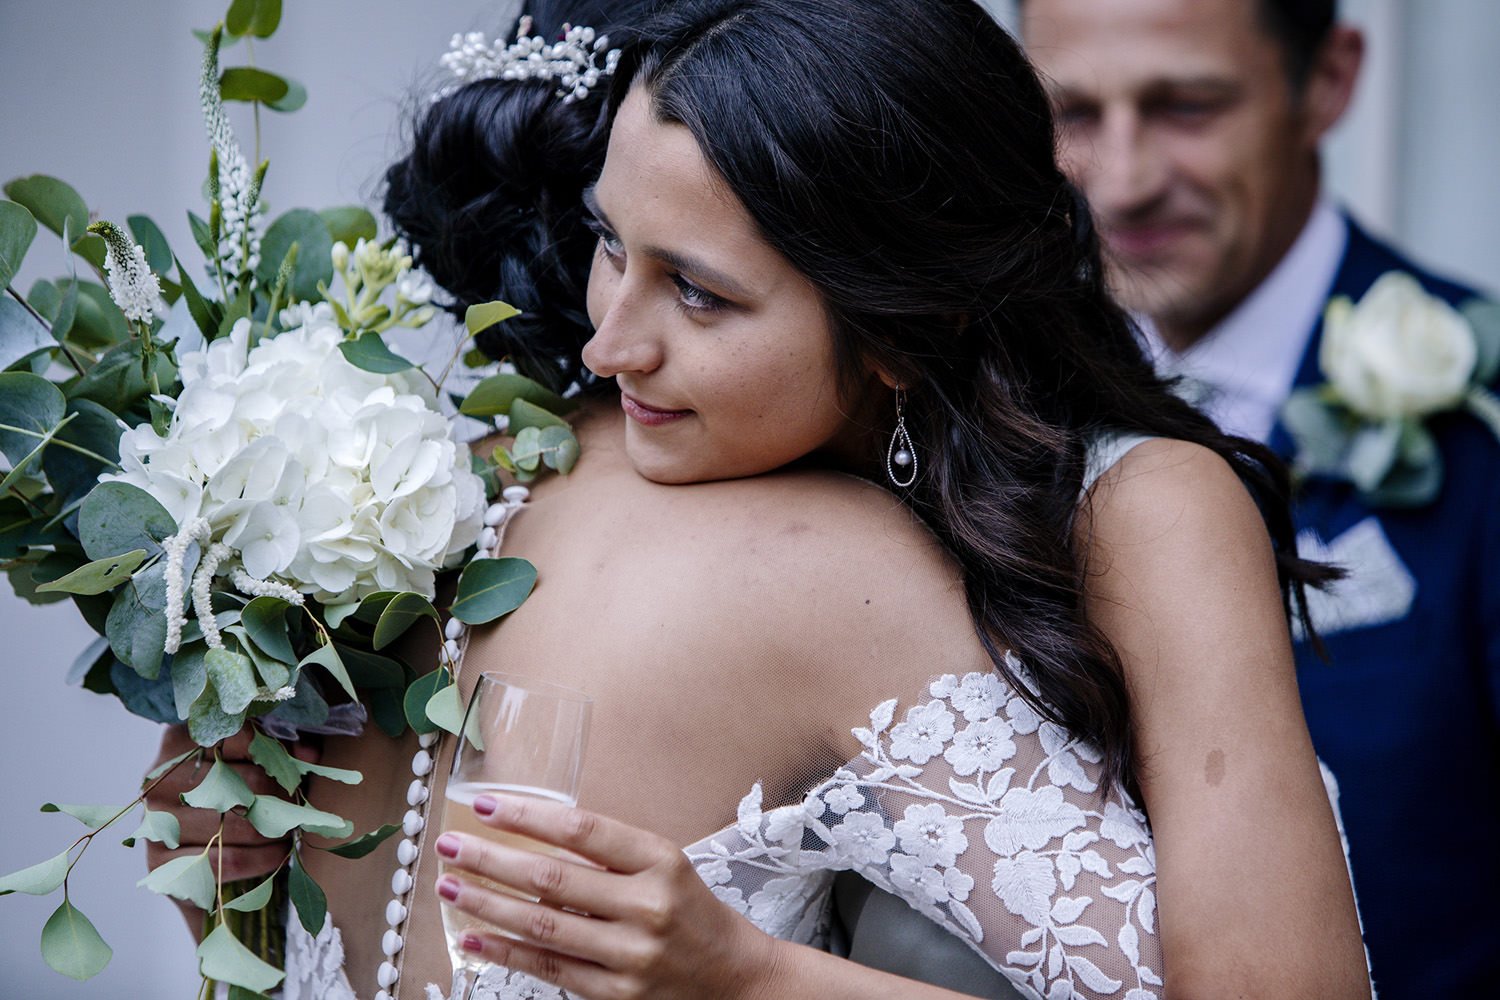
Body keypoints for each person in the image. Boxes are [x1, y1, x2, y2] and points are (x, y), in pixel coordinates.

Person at [150, 2, 1373, 998]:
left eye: (701, 294)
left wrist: (745, 978)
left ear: (907, 323)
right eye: (612, 241)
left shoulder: (1139, 512)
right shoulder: (475, 481)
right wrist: (232, 863)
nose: (609, 342)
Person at [1020, 2, 1500, 996]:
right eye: (1074, 113)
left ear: (1327, 80)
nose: (1123, 180)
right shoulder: (974, 402)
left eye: (1186, 106)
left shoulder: (1481, 424)